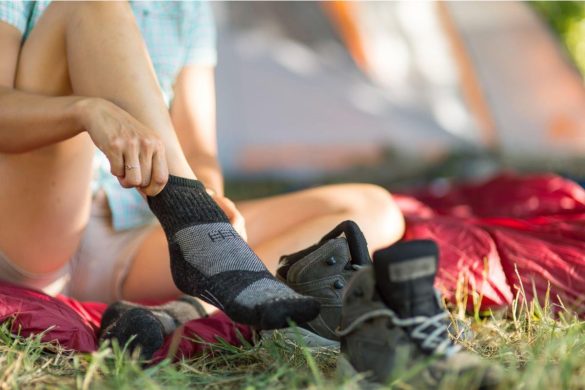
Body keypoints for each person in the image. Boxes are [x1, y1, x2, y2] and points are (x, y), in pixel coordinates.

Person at [0, 2, 404, 326]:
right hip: (36, 230)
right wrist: (85, 110)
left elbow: (197, 147)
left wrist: (211, 193)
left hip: (139, 244)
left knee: (375, 209)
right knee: (91, 6)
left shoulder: (185, 8)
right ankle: (196, 226)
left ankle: (185, 310)